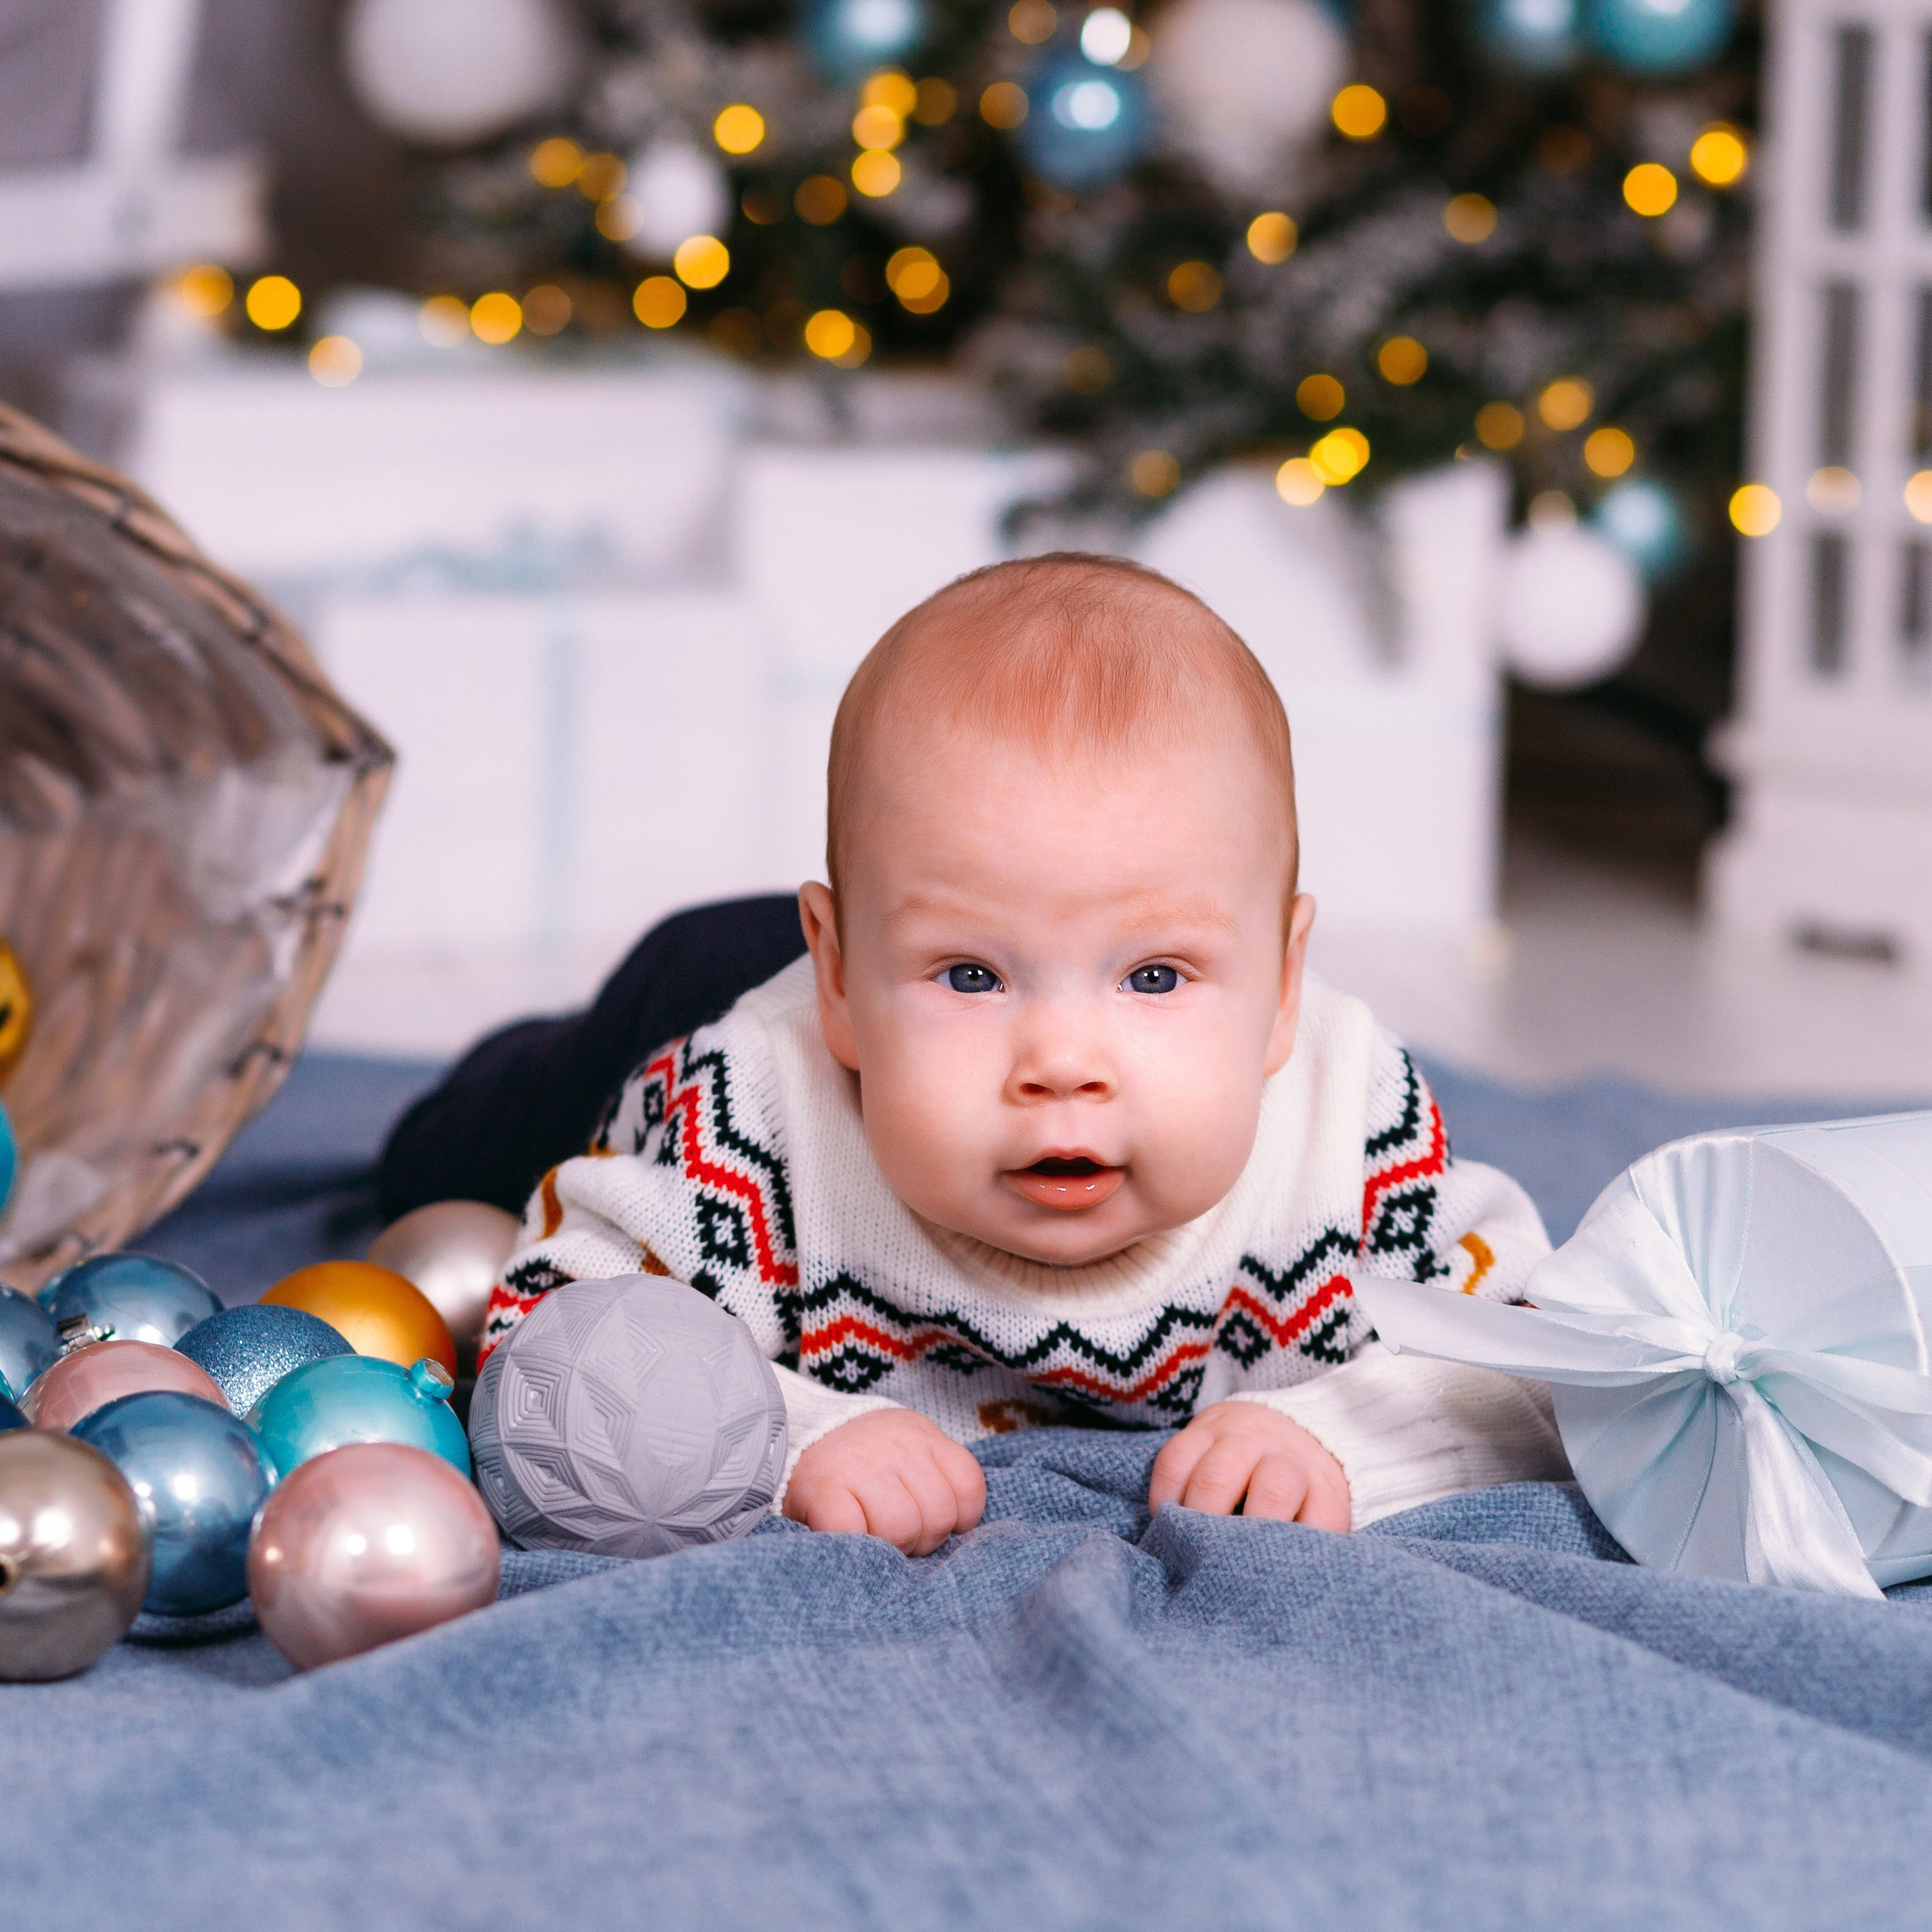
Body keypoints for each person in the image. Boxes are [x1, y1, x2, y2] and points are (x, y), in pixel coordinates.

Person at [477, 554, 1567, 1554]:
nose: (1060, 1064)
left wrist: (1339, 1438)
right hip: (683, 996)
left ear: (1283, 989)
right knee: (457, 1156)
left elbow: (1542, 1359)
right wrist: (792, 1438)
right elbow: (550, 1340)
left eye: (1153, 977)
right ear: (842, 979)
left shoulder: (1348, 1120)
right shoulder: (753, 1117)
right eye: (974, 976)